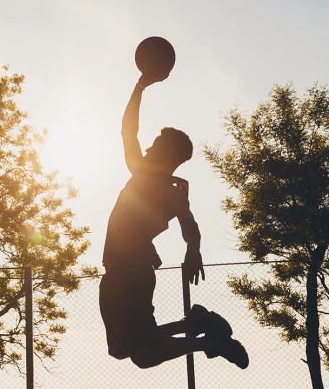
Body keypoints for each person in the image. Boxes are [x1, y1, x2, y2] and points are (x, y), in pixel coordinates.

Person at [99, 69, 249, 369]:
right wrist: (192, 248)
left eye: (155, 145)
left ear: (166, 155)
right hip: (123, 269)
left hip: (132, 272)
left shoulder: (159, 185)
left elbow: (128, 130)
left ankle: (206, 336)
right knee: (130, 349)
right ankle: (200, 325)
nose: (150, 147)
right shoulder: (163, 184)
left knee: (136, 351)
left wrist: (141, 84)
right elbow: (188, 222)